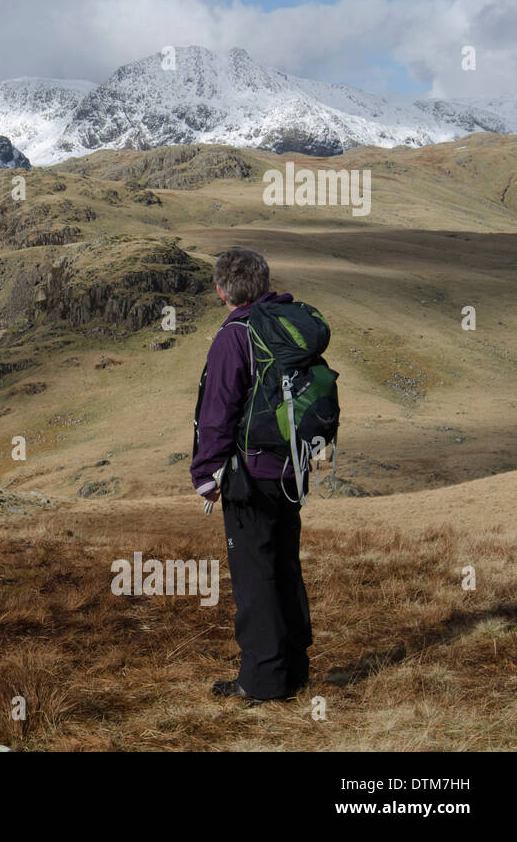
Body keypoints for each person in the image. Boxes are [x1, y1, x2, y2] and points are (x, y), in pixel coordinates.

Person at [190, 247, 312, 702]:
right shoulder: (286, 324)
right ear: (263, 283)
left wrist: (206, 475)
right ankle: (294, 669)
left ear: (221, 290)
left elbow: (218, 412)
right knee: (284, 566)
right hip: (291, 470)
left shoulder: (234, 336)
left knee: (254, 575)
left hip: (250, 474)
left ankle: (262, 682)